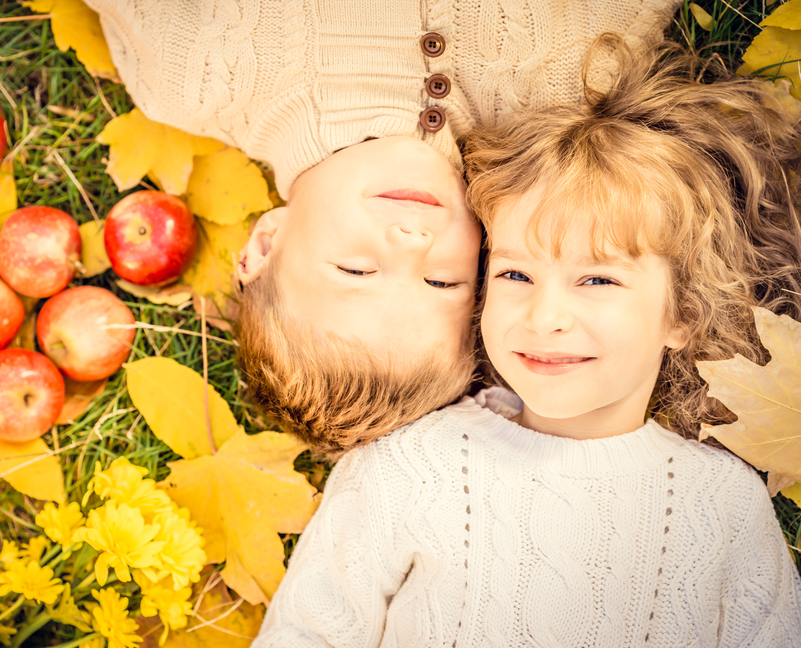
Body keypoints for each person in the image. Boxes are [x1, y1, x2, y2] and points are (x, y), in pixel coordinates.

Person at [252, 36, 801, 647]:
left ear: (684, 314)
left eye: (598, 278)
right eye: (516, 274)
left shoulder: (724, 506)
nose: (545, 317)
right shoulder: (408, 466)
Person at [75, 0, 694, 457]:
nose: (413, 241)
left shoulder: (192, 74)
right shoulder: (571, 82)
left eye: (356, 268)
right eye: (443, 282)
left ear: (266, 241)